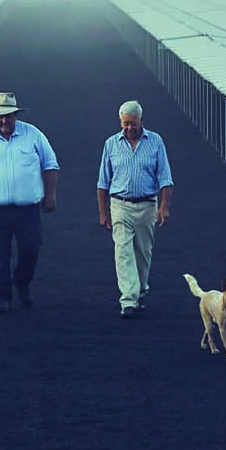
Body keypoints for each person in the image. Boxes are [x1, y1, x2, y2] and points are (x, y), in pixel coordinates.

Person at [0, 91, 59, 312]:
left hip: (28, 209)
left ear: (16, 115)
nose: (4, 120)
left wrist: (50, 195)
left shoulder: (33, 135)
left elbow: (50, 165)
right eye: (0, 116)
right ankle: (2, 297)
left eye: (8, 116)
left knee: (31, 248)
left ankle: (22, 281)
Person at [95, 100, 172, 319]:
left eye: (133, 123)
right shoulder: (111, 144)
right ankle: (128, 300)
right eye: (125, 123)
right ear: (120, 122)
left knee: (143, 253)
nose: (129, 128)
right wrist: (103, 213)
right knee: (123, 252)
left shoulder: (155, 142)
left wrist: (164, 207)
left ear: (141, 121)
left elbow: (165, 178)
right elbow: (103, 182)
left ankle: (139, 292)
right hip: (120, 204)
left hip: (147, 205)